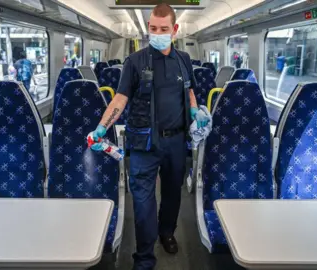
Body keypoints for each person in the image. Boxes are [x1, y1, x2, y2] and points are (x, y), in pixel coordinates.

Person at [87, 4, 209, 270]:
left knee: (173, 193)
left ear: (174, 30)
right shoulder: (135, 62)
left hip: (176, 142)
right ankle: (143, 256)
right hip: (143, 142)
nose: (157, 34)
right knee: (142, 202)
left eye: (163, 29)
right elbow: (120, 98)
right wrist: (101, 127)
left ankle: (166, 232)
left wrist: (194, 110)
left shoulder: (184, 60)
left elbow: (189, 91)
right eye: (152, 28)